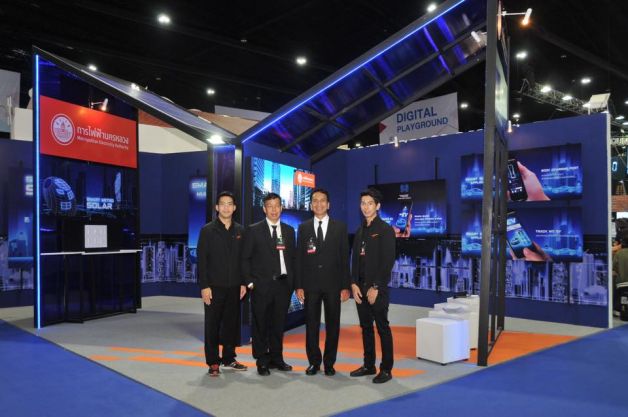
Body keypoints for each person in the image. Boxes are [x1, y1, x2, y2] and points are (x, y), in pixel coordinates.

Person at [295, 188, 350, 376]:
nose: (319, 204)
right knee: (311, 325)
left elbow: (344, 259)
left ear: (328, 204)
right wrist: (299, 285)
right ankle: (314, 362)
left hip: (333, 285)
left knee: (333, 325)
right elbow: (299, 259)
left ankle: (329, 363)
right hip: (310, 286)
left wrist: (345, 286)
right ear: (311, 205)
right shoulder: (303, 228)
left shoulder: (340, 227)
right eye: (315, 201)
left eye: (322, 200)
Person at [241, 192, 296, 376]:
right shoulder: (253, 230)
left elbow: (293, 259)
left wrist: (292, 283)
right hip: (261, 287)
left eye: (277, 206)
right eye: (270, 206)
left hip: (283, 286)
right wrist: (250, 283)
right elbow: (245, 259)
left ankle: (277, 358)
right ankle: (262, 361)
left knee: (278, 325)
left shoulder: (289, 231)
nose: (274, 210)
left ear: (282, 208)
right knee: (260, 326)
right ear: (264, 209)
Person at [197, 191, 248, 377]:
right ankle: (213, 362)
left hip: (235, 287)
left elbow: (244, 260)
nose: (226, 207)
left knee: (230, 324)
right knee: (212, 325)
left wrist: (243, 283)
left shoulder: (241, 231)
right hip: (213, 287)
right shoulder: (207, 230)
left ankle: (229, 357)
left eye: (230, 204)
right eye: (223, 204)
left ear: (234, 208)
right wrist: (204, 286)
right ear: (217, 207)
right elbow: (202, 260)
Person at [349, 188, 396, 384]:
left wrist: (375, 287)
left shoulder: (385, 230)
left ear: (377, 206)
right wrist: (353, 283)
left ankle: (386, 369)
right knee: (365, 327)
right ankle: (369, 365)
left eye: (370, 203)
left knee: (382, 328)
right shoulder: (360, 230)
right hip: (360, 289)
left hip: (377, 289)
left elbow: (387, 262)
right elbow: (355, 261)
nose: (366, 207)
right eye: (363, 203)